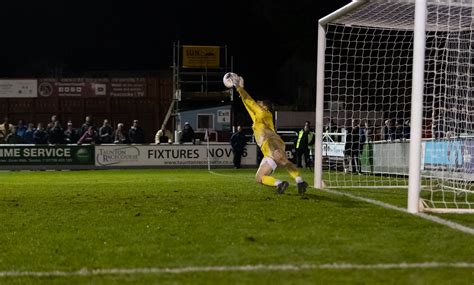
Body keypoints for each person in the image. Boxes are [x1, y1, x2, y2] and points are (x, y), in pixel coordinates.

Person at [226, 72, 308, 195]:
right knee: (259, 178)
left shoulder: (264, 113)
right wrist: (240, 91)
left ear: (265, 107)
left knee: (282, 160)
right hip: (266, 149)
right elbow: (248, 105)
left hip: (271, 141)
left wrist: (239, 87)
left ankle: (300, 181)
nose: (258, 102)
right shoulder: (258, 118)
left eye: (260, 103)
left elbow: (250, 101)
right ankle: (280, 184)